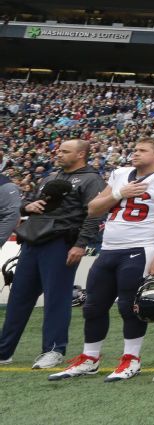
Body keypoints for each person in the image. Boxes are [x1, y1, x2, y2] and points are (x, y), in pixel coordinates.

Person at [48, 138, 154, 382]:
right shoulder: (121, 174)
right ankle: (90, 358)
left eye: (142, 150)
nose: (135, 153)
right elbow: (93, 208)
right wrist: (120, 193)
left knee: (129, 306)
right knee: (93, 306)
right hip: (110, 247)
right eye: (134, 149)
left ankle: (131, 359)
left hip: (141, 247)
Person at [0, 139, 105, 369]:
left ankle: (54, 349)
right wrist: (27, 207)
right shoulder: (50, 176)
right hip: (32, 240)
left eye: (65, 151)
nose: (59, 154)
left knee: (56, 298)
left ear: (80, 154)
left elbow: (95, 214)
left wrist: (80, 244)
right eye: (59, 150)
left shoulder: (91, 179)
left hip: (61, 243)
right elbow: (27, 201)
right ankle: (4, 351)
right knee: (19, 297)